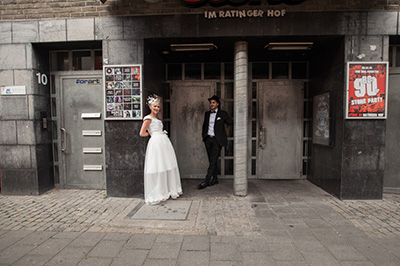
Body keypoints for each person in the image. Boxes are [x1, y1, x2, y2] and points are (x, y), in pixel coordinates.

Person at [139, 94, 183, 205]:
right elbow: (142, 133)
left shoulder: (157, 118)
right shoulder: (148, 118)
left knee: (166, 165)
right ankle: (158, 190)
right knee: (157, 165)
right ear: (150, 107)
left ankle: (168, 189)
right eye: (154, 106)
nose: (157, 108)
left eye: (158, 106)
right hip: (156, 142)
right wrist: (152, 134)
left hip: (163, 142)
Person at [198, 95, 233, 189]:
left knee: (213, 161)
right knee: (211, 161)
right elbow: (204, 125)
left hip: (217, 141)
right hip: (208, 139)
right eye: (210, 103)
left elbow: (230, 122)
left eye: (213, 103)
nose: (211, 104)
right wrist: (204, 136)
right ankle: (215, 179)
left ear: (217, 104)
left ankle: (207, 180)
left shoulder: (223, 113)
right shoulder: (207, 114)